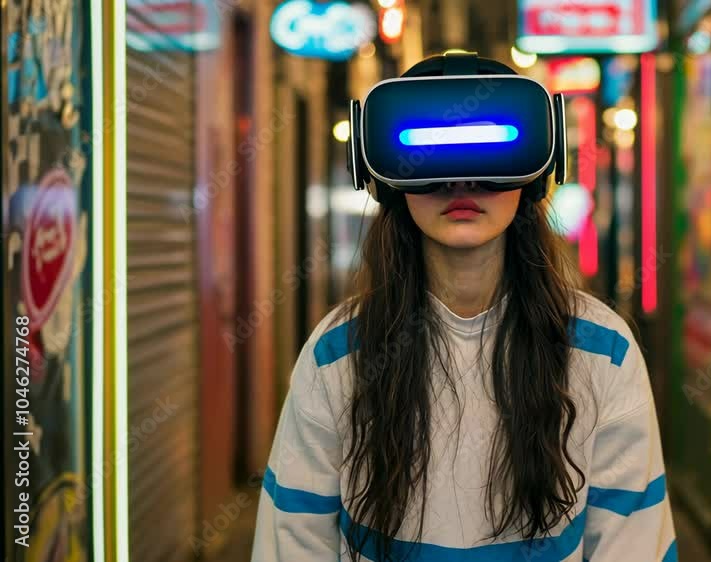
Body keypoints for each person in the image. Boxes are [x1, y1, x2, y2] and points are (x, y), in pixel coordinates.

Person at [251, 56, 677, 562]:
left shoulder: (603, 351)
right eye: (431, 161)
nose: (461, 183)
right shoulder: (338, 354)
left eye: (489, 159)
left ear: (536, 175)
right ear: (385, 180)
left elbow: (634, 546)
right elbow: (293, 544)